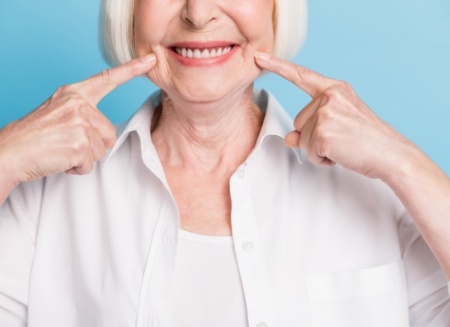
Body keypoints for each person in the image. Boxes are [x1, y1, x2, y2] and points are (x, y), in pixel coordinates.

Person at [0, 0, 449, 325]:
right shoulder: (43, 202)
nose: (198, 13)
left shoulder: (382, 194)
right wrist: (6, 156)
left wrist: (404, 162)